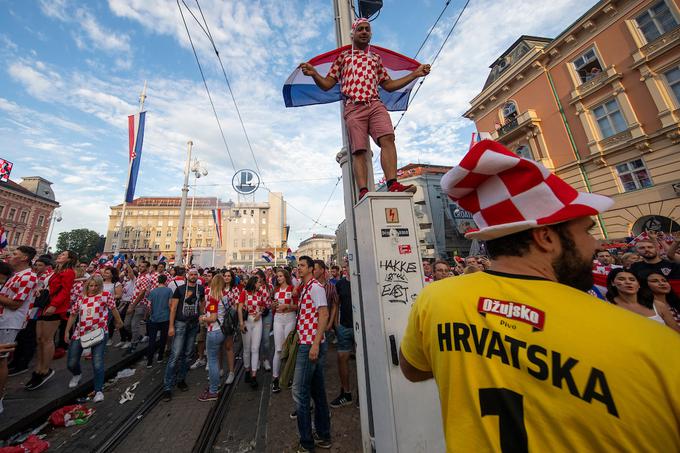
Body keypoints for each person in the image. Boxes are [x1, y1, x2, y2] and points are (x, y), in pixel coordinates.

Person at [400, 139, 680, 451]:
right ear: (546, 237)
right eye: (586, 231)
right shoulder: (658, 349)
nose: (596, 244)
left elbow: (413, 368)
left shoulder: (438, 299)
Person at [299, 17, 430, 200]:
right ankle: (363, 191)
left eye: (367, 29)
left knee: (388, 138)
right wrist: (314, 74)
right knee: (359, 150)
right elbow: (328, 84)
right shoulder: (343, 58)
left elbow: (389, 85)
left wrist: (415, 74)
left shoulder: (375, 59)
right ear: (353, 34)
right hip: (354, 108)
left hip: (374, 104)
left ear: (370, 34)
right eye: (360, 29)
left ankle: (393, 184)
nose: (364, 32)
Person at [291, 255, 331, 451]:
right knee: (317, 391)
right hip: (307, 341)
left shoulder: (315, 288)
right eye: (298, 265)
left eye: (302, 266)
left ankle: (306, 442)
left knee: (299, 392)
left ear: (310, 269)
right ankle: (323, 434)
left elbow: (323, 314)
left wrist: (315, 343)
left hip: (310, 344)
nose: (299, 268)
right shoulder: (306, 287)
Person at [64, 275, 123, 402]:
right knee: (71, 362)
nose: (93, 288)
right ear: (87, 286)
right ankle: (77, 374)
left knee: (97, 363)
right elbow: (73, 315)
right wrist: (67, 331)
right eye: (91, 285)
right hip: (80, 333)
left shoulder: (106, 295)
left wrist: (119, 322)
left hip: (99, 332)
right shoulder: (81, 298)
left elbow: (113, 309)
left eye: (96, 285)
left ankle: (98, 390)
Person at [27, 250, 76, 391]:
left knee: (47, 339)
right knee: (40, 339)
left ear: (69, 259)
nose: (60, 255)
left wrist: (54, 305)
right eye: (60, 254)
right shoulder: (56, 271)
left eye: (63, 255)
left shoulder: (69, 272)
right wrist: (40, 290)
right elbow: (49, 286)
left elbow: (65, 291)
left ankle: (45, 370)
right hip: (44, 305)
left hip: (54, 308)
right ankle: (38, 368)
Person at [0, 246, 37, 413]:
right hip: (3, 320)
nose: (10, 256)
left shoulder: (28, 277)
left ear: (24, 258)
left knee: (1, 360)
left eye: (15, 254)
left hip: (8, 322)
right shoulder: (16, 275)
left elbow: (15, 304)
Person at [162, 268, 204, 402]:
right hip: (180, 323)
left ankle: (181, 379)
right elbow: (173, 308)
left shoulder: (201, 289)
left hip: (193, 324)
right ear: (187, 276)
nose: (193, 276)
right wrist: (171, 326)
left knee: (188, 354)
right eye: (191, 274)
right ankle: (167, 386)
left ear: (197, 276)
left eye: (195, 274)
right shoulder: (179, 289)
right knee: (175, 354)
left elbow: (201, 304)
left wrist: (201, 316)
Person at [9, 255, 50, 376]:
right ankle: (15, 361)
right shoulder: (33, 276)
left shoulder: (46, 278)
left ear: (47, 267)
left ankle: (23, 363)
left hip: (35, 312)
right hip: (24, 312)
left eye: (40, 265)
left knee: (28, 338)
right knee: (20, 338)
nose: (37, 267)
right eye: (36, 265)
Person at [605, 269, 676, 329]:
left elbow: (676, 333)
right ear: (612, 283)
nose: (628, 282)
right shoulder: (607, 307)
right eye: (621, 279)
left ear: (638, 285)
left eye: (632, 280)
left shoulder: (658, 306)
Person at [198, 273, 229, 402]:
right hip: (222, 330)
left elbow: (213, 317)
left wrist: (203, 318)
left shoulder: (213, 298)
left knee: (212, 361)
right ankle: (215, 385)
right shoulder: (225, 296)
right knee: (215, 359)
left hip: (214, 330)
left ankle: (213, 390)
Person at [329, 264, 353, 409]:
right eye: (348, 266)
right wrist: (336, 324)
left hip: (362, 328)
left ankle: (367, 395)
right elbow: (336, 304)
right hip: (344, 327)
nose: (349, 268)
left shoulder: (364, 281)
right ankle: (347, 393)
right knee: (342, 358)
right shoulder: (341, 284)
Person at [271, 269, 298, 393]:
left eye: (281, 276)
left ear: (286, 277)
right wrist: (273, 305)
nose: (279, 278)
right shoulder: (275, 290)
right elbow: (272, 305)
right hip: (278, 319)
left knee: (289, 349)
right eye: (277, 276)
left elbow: (297, 306)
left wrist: (287, 306)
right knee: (278, 349)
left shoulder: (292, 289)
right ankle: (275, 378)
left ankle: (287, 377)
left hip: (290, 318)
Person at [238, 276, 263, 389]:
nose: (260, 285)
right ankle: (247, 370)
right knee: (247, 348)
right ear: (254, 283)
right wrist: (241, 323)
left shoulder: (259, 294)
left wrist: (260, 313)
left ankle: (254, 375)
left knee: (255, 348)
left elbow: (262, 306)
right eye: (258, 283)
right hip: (247, 322)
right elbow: (240, 308)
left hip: (257, 322)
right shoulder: (244, 293)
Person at [125, 260, 153, 354]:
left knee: (134, 325)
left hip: (140, 304)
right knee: (127, 324)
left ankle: (134, 344)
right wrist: (127, 263)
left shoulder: (146, 278)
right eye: (140, 266)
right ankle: (138, 337)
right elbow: (131, 273)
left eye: (143, 266)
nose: (140, 268)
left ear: (148, 268)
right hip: (133, 302)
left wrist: (133, 305)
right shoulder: (140, 276)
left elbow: (142, 293)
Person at [146, 274, 173, 367]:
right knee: (163, 338)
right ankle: (160, 357)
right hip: (165, 318)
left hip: (154, 318)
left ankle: (149, 361)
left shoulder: (153, 291)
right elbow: (170, 304)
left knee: (152, 340)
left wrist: (150, 315)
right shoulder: (169, 291)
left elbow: (149, 306)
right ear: (166, 281)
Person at [115, 263, 136, 348]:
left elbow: (131, 273)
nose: (127, 274)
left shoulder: (133, 281)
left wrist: (127, 263)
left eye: (128, 273)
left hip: (128, 303)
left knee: (125, 323)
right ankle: (123, 339)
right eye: (126, 273)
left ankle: (129, 340)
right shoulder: (126, 282)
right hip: (122, 303)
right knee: (119, 322)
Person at [102, 267, 123, 346]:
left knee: (106, 324)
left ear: (112, 275)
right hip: (99, 307)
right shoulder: (100, 282)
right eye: (105, 272)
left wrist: (106, 297)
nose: (105, 274)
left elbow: (119, 295)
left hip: (110, 307)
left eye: (107, 273)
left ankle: (107, 339)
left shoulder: (116, 284)